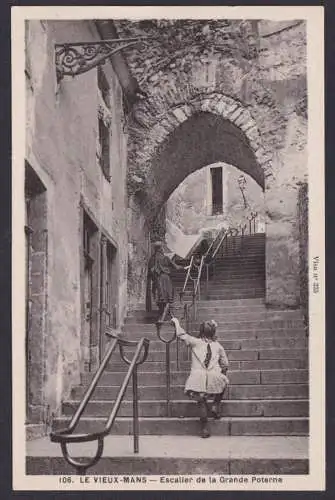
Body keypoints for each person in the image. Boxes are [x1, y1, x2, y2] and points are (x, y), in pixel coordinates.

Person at [171, 317, 229, 438]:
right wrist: (222, 373)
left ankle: (204, 427)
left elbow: (181, 334)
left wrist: (176, 322)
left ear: (201, 332)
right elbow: (225, 364)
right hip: (214, 375)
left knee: (201, 401)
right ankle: (215, 405)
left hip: (198, 377)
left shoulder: (195, 342)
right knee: (223, 382)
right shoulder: (218, 346)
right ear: (213, 333)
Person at [147, 241, 185, 319]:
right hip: (165, 279)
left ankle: (161, 313)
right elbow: (176, 267)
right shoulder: (165, 258)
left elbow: (150, 271)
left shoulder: (152, 259)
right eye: (162, 247)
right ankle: (166, 313)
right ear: (161, 248)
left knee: (160, 297)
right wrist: (183, 267)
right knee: (167, 296)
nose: (163, 249)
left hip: (157, 280)